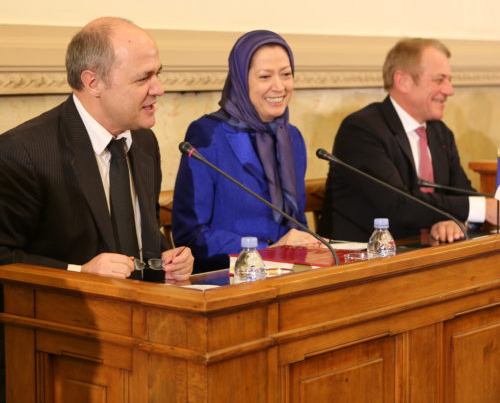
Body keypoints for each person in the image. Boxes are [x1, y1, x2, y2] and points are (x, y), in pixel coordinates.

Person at [0, 17, 193, 280]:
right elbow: (4, 257)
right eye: (143, 78)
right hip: (69, 314)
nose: (159, 88)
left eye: (158, 74)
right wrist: (80, 272)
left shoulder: (144, 141)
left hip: (146, 311)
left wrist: (166, 262)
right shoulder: (24, 152)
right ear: (93, 83)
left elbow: (138, 238)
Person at [319, 38, 497, 243]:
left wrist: (454, 221)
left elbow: (462, 193)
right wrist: (481, 209)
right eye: (440, 80)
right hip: (364, 260)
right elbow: (398, 205)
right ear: (403, 81)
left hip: (428, 254)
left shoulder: (440, 133)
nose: (450, 90)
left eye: (449, 80)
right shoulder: (361, 130)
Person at [172, 30, 321, 271]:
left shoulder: (291, 138)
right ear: (241, 80)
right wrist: (268, 248)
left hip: (288, 274)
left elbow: (296, 223)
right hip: (228, 277)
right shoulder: (207, 134)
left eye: (286, 74)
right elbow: (191, 236)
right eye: (265, 76)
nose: (279, 86)